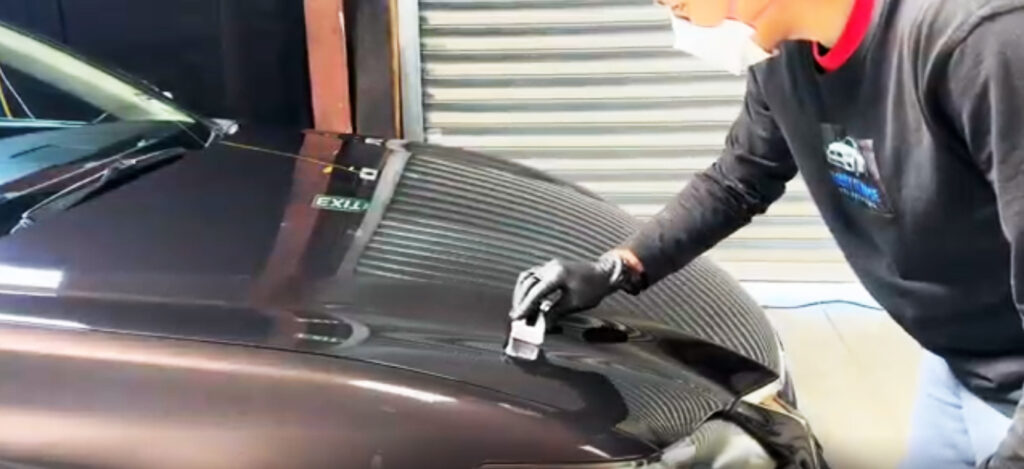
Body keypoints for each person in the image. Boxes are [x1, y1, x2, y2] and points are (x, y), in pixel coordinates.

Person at [508, 0, 1024, 467]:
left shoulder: (980, 42)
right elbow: (739, 179)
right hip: (954, 361)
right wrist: (619, 266)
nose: (672, 10)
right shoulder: (783, 54)